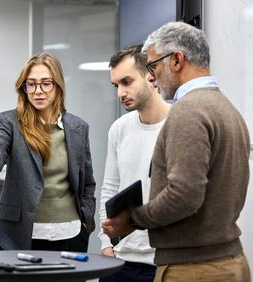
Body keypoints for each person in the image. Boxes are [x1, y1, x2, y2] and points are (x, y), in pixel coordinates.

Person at [102, 21, 251, 282]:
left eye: (154, 66)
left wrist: (134, 219)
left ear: (177, 60)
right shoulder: (228, 109)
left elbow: (184, 195)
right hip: (227, 261)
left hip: (194, 269)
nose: (153, 76)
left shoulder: (188, 112)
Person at [0, 52, 96, 252]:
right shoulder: (10, 122)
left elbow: (87, 183)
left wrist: (86, 218)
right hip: (21, 233)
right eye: (30, 84)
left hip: (70, 233)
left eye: (45, 83)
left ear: (57, 86)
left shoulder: (78, 128)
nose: (37, 91)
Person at [98, 45, 170, 282]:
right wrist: (106, 244)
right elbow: (109, 188)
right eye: (116, 85)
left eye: (127, 82)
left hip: (163, 262)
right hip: (119, 259)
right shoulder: (119, 128)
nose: (120, 92)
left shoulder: (179, 124)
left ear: (151, 75)